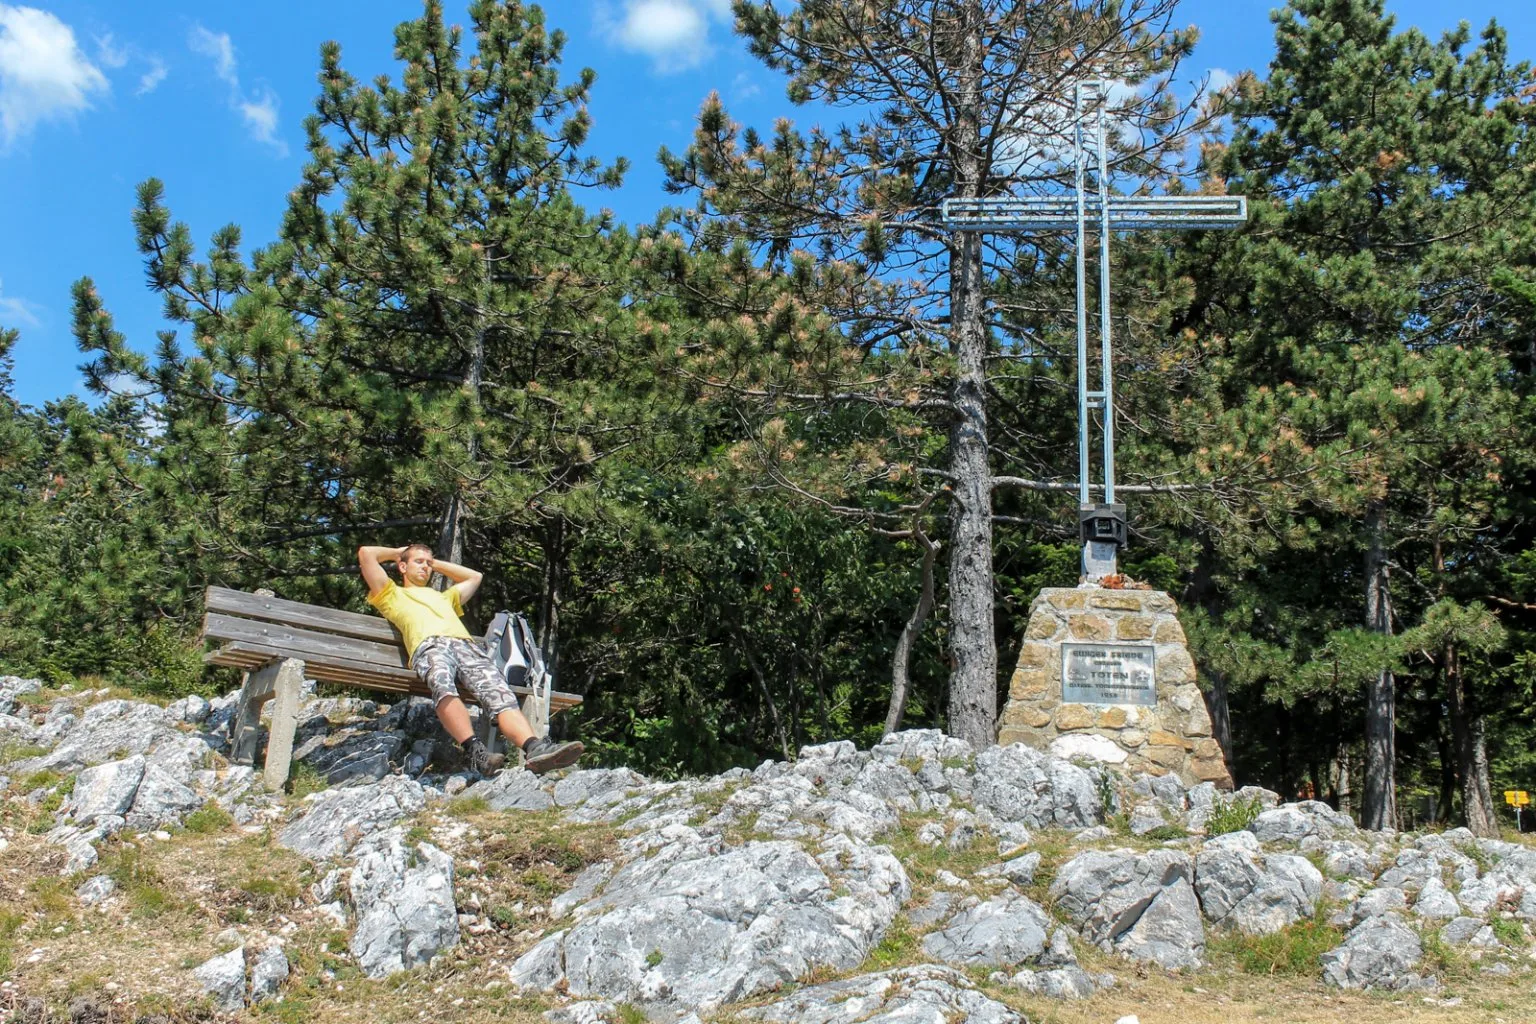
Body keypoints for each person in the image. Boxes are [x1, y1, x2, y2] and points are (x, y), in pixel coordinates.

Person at [358, 542, 583, 776]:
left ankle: (534, 748)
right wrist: (401, 553)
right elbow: (366, 553)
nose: (425, 567)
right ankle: (475, 751)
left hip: (466, 647)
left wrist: (433, 562)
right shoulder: (391, 594)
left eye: (428, 563)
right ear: (402, 567)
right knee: (443, 685)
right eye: (419, 562)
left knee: (500, 694)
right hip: (431, 646)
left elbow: (475, 577)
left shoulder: (444, 598)